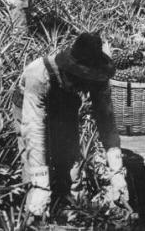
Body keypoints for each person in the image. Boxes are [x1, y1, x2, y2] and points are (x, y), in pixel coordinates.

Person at [12, 32, 129, 221]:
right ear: (72, 72)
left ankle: (73, 210)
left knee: (70, 157)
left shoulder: (98, 78)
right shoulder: (39, 75)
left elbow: (107, 122)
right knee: (33, 166)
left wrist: (116, 172)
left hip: (64, 107)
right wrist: (40, 184)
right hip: (28, 109)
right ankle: (35, 215)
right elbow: (33, 129)